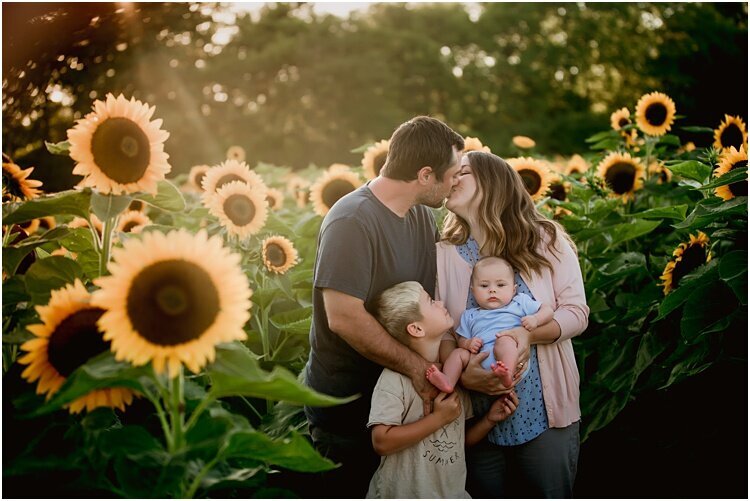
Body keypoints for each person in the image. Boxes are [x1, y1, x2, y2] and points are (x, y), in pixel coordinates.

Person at [303, 116, 465, 498]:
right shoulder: (352, 220)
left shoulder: (422, 217)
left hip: (400, 407)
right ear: (425, 175)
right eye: (451, 174)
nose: (455, 182)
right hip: (348, 409)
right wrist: (418, 368)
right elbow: (343, 318)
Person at [436, 151, 589, 498]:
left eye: (461, 172)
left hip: (548, 415)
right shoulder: (444, 254)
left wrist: (527, 334)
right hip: (477, 416)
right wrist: (467, 372)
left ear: (492, 181)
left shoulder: (545, 239)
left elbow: (576, 312)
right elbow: (444, 331)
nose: (451, 180)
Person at [367, 281, 519, 499]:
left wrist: (490, 420)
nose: (440, 302)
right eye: (430, 301)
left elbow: (457, 441)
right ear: (416, 329)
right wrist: (438, 419)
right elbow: (381, 441)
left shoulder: (452, 373)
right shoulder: (395, 378)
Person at [426, 255, 554, 393]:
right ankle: (448, 382)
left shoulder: (519, 303)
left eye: (500, 285)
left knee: (504, 340)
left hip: (510, 356)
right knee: (458, 353)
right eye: (484, 285)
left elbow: (547, 310)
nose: (492, 290)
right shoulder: (470, 315)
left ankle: (507, 373)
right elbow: (461, 339)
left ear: (513, 289)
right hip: (479, 360)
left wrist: (536, 319)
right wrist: (468, 343)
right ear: (473, 291)